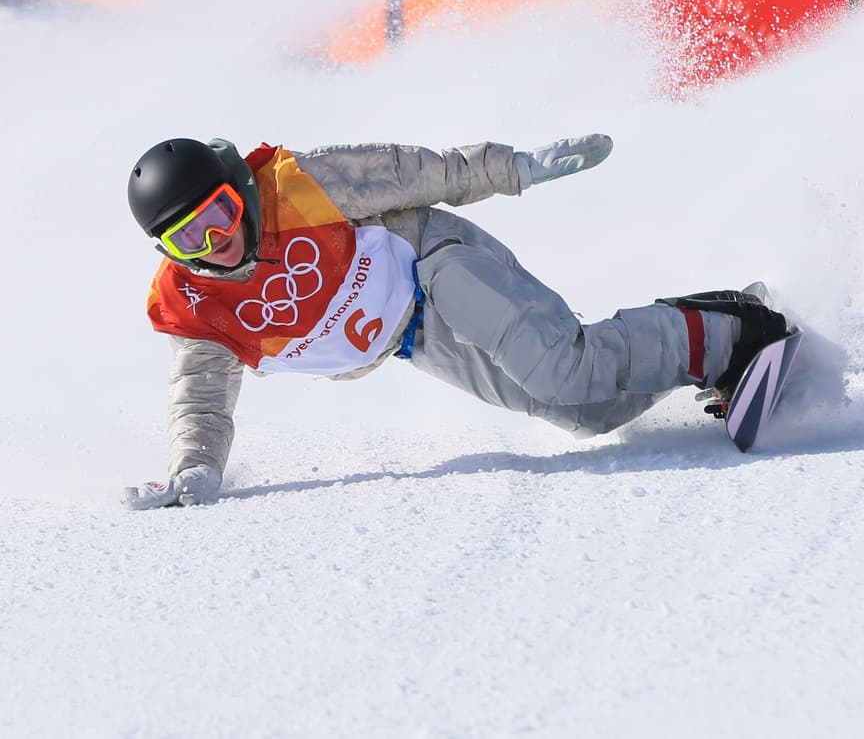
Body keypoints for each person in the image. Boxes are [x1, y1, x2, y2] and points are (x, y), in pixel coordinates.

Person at [121, 134, 788, 509]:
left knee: (561, 368)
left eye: (219, 215)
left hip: (432, 261)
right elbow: (199, 401)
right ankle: (700, 323)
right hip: (415, 339)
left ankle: (739, 336)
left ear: (236, 191)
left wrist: (516, 168)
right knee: (587, 412)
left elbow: (416, 174)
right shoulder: (196, 305)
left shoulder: (294, 186)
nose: (216, 243)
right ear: (168, 251)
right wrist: (196, 466)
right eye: (189, 238)